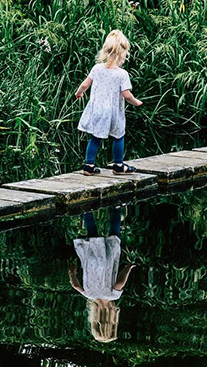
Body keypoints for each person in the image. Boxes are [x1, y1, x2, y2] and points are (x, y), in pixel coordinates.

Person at [75, 29, 143, 176]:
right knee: (119, 135)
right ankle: (118, 165)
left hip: (97, 109)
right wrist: (136, 101)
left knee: (95, 137)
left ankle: (89, 165)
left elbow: (85, 84)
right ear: (121, 53)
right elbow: (126, 94)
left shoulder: (97, 68)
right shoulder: (122, 74)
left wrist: (79, 93)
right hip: (113, 112)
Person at [68, 209, 135, 343]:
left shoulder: (113, 296)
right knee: (92, 233)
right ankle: (87, 211)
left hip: (108, 261)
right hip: (92, 261)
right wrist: (72, 272)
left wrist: (128, 268)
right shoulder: (89, 295)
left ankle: (117, 207)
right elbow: (75, 285)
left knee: (114, 234)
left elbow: (119, 283)